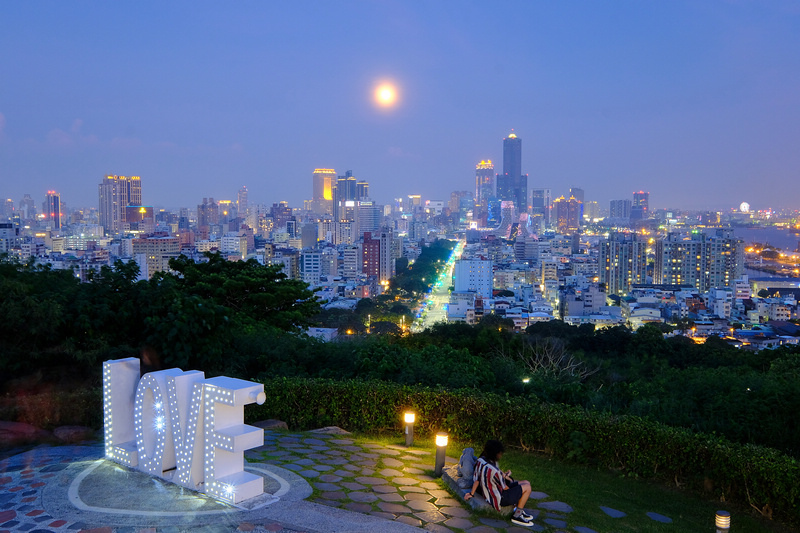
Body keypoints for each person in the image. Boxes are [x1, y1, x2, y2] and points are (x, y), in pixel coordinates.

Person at [464, 440, 535, 527]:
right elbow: (505, 487)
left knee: (525, 482)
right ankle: (517, 515)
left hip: (493, 491)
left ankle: (518, 510)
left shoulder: (480, 461)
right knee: (527, 487)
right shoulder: (494, 470)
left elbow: (477, 480)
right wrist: (515, 491)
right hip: (499, 497)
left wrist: (471, 493)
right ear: (496, 453)